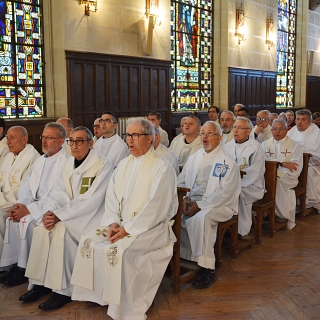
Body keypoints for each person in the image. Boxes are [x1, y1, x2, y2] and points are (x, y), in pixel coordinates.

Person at [71, 118, 178, 320]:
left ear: (150, 138)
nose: (130, 140)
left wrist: (128, 229)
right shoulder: (123, 164)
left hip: (151, 228)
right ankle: (100, 296)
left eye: (135, 135)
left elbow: (157, 207)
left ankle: (124, 305)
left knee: (117, 250)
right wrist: (112, 222)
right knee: (88, 241)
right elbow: (111, 197)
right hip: (120, 224)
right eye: (128, 135)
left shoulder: (162, 167)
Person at [22, 126, 113, 310]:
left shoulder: (103, 165)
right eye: (72, 141)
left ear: (90, 144)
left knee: (61, 231)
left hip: (91, 217)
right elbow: (58, 193)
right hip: (68, 214)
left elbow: (92, 200)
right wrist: (50, 213)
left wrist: (60, 216)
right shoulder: (69, 163)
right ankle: (39, 283)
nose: (75, 145)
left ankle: (63, 291)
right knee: (41, 228)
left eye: (80, 141)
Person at [0, 123, 70, 287]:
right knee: (12, 219)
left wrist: (29, 210)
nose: (44, 142)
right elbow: (26, 186)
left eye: (49, 138)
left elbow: (58, 195)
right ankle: (16, 264)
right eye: (43, 137)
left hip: (49, 208)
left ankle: (25, 268)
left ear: (61, 141)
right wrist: (20, 205)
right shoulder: (40, 160)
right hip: (32, 205)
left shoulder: (66, 163)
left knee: (27, 222)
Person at [178, 121, 240, 289]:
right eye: (203, 133)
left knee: (202, 219)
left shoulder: (227, 161)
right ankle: (182, 258)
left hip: (220, 205)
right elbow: (181, 181)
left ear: (219, 138)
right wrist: (183, 200)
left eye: (209, 133)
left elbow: (225, 193)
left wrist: (201, 205)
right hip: (192, 201)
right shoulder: (194, 157)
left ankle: (208, 269)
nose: (204, 136)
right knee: (173, 215)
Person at [0, 126, 40, 260]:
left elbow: (23, 190)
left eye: (12, 138)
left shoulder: (33, 159)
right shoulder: (9, 156)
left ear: (24, 139)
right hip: (3, 199)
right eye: (7, 138)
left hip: (15, 202)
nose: (8, 142)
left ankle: (4, 259)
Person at [224, 117, 265, 236]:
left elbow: (255, 171)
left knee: (237, 192)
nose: (235, 131)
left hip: (251, 186)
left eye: (240, 128)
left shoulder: (256, 147)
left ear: (248, 131)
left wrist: (235, 182)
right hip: (231, 183)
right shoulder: (227, 146)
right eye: (235, 127)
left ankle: (239, 228)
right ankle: (225, 223)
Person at [262, 119, 303, 229]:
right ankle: (271, 212)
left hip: (289, 177)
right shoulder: (265, 144)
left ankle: (282, 215)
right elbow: (262, 160)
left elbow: (295, 167)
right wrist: (281, 163)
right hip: (271, 176)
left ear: (287, 130)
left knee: (274, 182)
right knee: (271, 181)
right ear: (271, 130)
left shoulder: (295, 145)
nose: (277, 132)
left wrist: (278, 171)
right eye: (274, 129)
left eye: (281, 129)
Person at [287, 110, 320, 212]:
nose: (299, 122)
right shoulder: (291, 131)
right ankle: (291, 202)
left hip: (311, 164)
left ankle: (309, 203)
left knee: (308, 173)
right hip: (293, 162)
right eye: (298, 119)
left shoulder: (317, 132)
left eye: (303, 119)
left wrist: (306, 158)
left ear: (310, 121)